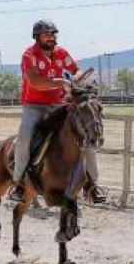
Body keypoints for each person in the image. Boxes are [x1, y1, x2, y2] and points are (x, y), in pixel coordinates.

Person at [9, 19, 106, 204]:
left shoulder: (62, 53)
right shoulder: (29, 55)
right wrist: (60, 81)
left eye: (53, 34)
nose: (51, 38)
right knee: (24, 139)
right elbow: (35, 82)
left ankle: (92, 184)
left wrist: (78, 78)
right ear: (37, 37)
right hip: (34, 106)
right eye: (47, 34)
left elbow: (76, 70)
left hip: (60, 104)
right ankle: (20, 183)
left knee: (86, 134)